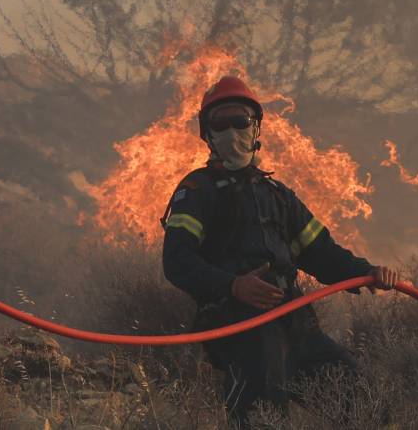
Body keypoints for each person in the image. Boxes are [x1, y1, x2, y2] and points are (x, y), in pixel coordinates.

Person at [161, 75, 400, 428]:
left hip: (296, 326)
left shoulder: (278, 196)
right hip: (244, 331)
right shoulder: (197, 191)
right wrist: (232, 286)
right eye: (220, 123)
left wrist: (368, 272)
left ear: (255, 128)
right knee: (264, 420)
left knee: (366, 404)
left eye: (239, 121)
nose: (231, 132)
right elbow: (177, 262)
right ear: (207, 134)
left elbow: (321, 253)